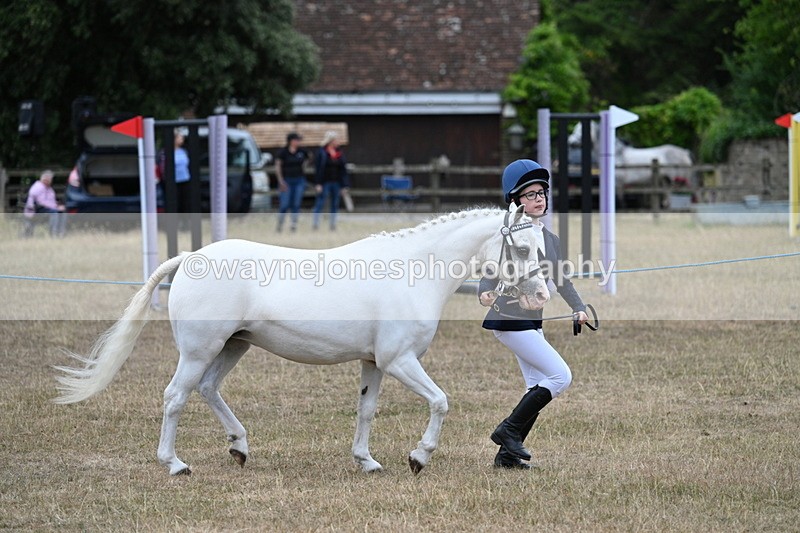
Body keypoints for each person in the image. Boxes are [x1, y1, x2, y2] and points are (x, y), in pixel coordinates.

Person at [479, 159, 589, 470]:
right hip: (509, 319)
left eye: (542, 192)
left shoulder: (550, 240)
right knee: (560, 376)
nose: (539, 198)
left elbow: (562, 280)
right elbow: (491, 267)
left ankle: (507, 457)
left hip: (532, 320)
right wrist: (484, 289)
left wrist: (578, 307)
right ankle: (508, 431)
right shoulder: (507, 234)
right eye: (530, 194)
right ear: (515, 201)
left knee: (535, 385)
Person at [313, 131, 350, 231]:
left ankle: (332, 225)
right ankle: (315, 224)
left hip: (336, 182)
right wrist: (318, 183)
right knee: (320, 203)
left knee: (335, 204)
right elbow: (318, 169)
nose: (338, 142)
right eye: (336, 140)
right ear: (331, 141)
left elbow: (343, 170)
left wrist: (344, 185)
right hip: (324, 182)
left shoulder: (339, 153)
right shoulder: (322, 152)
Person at [275, 132, 310, 232]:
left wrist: (304, 166)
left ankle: (293, 225)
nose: (298, 142)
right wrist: (281, 180)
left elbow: (309, 157)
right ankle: (280, 224)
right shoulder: (283, 152)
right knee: (284, 204)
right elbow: (278, 166)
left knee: (296, 204)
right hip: (286, 180)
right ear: (291, 141)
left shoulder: (302, 151)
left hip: (299, 180)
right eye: (297, 140)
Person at [23, 169, 67, 237]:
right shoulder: (37, 187)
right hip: (36, 210)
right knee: (54, 212)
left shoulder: (49, 189)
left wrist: (57, 206)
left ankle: (61, 233)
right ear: (45, 179)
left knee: (63, 212)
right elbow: (41, 202)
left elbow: (51, 201)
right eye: (49, 179)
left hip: (46, 209)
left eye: (50, 179)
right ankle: (53, 234)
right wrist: (56, 207)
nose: (50, 181)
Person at [173, 131, 191, 214]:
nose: (182, 139)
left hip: (185, 179)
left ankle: (185, 222)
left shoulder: (183, 151)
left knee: (185, 202)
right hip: (174, 181)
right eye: (180, 137)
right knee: (175, 202)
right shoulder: (168, 152)